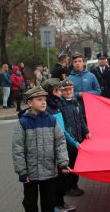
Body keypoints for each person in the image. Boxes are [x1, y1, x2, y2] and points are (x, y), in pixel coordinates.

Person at [12, 86, 71, 212]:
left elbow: (60, 142)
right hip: (30, 173)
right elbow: (18, 149)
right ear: (29, 103)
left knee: (49, 202)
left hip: (49, 171)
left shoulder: (52, 120)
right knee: (30, 203)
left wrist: (63, 163)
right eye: (39, 99)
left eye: (44, 99)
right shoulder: (23, 123)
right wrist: (22, 171)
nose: (43, 102)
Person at [42, 78, 78, 211]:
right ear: (49, 93)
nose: (60, 93)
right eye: (57, 90)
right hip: (52, 152)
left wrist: (74, 143)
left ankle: (61, 203)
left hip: (62, 148)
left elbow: (62, 130)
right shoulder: (46, 110)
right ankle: (55, 205)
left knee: (62, 179)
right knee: (54, 181)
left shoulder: (57, 106)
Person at [60, 79, 91, 197]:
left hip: (78, 139)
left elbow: (81, 119)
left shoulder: (75, 102)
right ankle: (69, 187)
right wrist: (71, 140)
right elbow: (63, 126)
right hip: (68, 141)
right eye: (65, 90)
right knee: (70, 164)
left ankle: (74, 184)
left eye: (70, 89)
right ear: (62, 91)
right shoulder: (61, 105)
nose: (68, 92)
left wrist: (86, 131)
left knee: (76, 163)